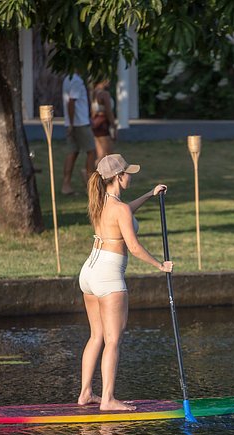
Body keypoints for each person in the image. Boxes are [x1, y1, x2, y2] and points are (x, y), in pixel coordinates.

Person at [77, 153, 173, 411]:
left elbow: (125, 210)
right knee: (113, 340)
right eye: (128, 172)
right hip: (108, 276)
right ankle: (107, 399)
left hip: (88, 273)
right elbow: (134, 246)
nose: (130, 175)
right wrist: (160, 266)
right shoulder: (118, 209)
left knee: (96, 336)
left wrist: (149, 195)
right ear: (119, 177)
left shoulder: (100, 203)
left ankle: (86, 393)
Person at [62, 71, 96, 195]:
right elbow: (71, 102)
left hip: (76, 122)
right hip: (80, 123)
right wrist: (72, 123)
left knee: (72, 152)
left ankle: (66, 185)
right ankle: (90, 184)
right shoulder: (76, 80)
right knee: (92, 151)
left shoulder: (68, 78)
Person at [91, 80, 117, 159]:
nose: (109, 82)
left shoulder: (93, 93)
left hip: (95, 122)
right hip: (103, 122)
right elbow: (109, 111)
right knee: (108, 153)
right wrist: (113, 126)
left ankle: (90, 169)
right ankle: (88, 170)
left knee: (100, 153)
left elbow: (92, 111)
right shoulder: (104, 94)